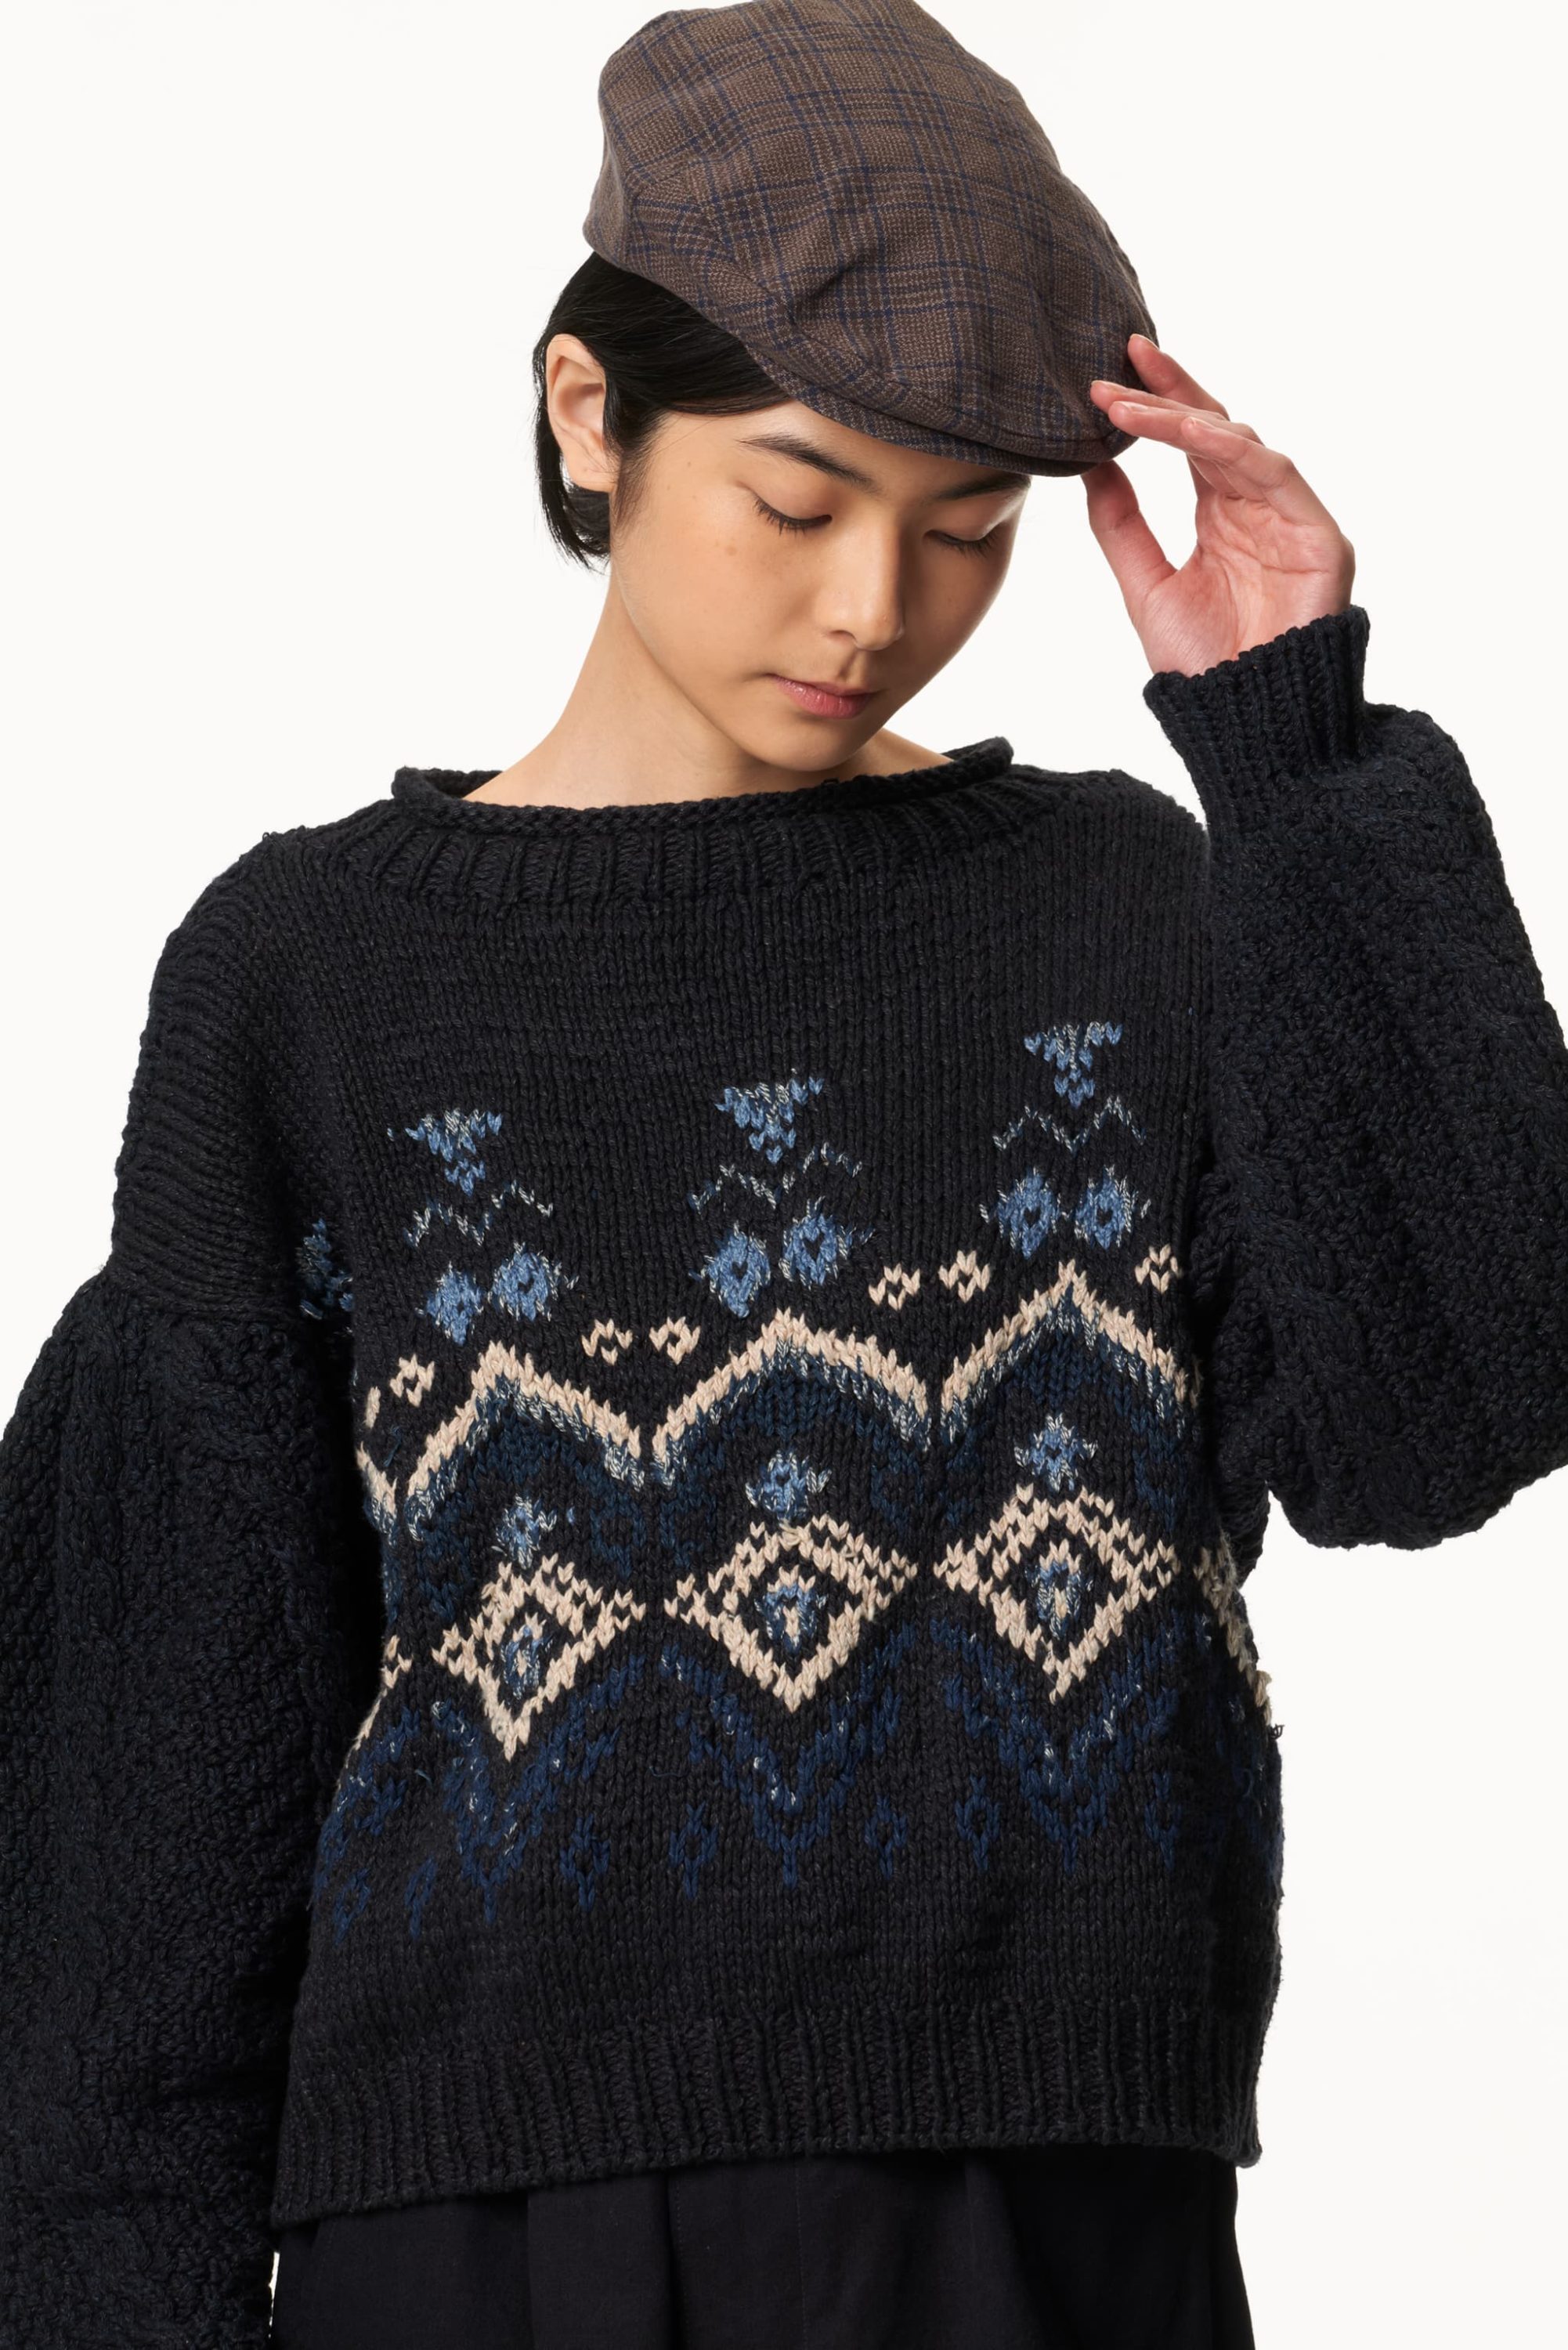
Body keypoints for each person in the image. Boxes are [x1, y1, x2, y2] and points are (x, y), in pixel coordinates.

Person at [4, 6, 1566, 2348]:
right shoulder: (311, 975)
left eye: (968, 531)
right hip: (478, 2245)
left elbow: (1448, 1412)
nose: (872, 609)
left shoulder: (1125, 907)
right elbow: (144, 1804)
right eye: (797, 501)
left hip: (1061, 2221)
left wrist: (1297, 748)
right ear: (588, 416)